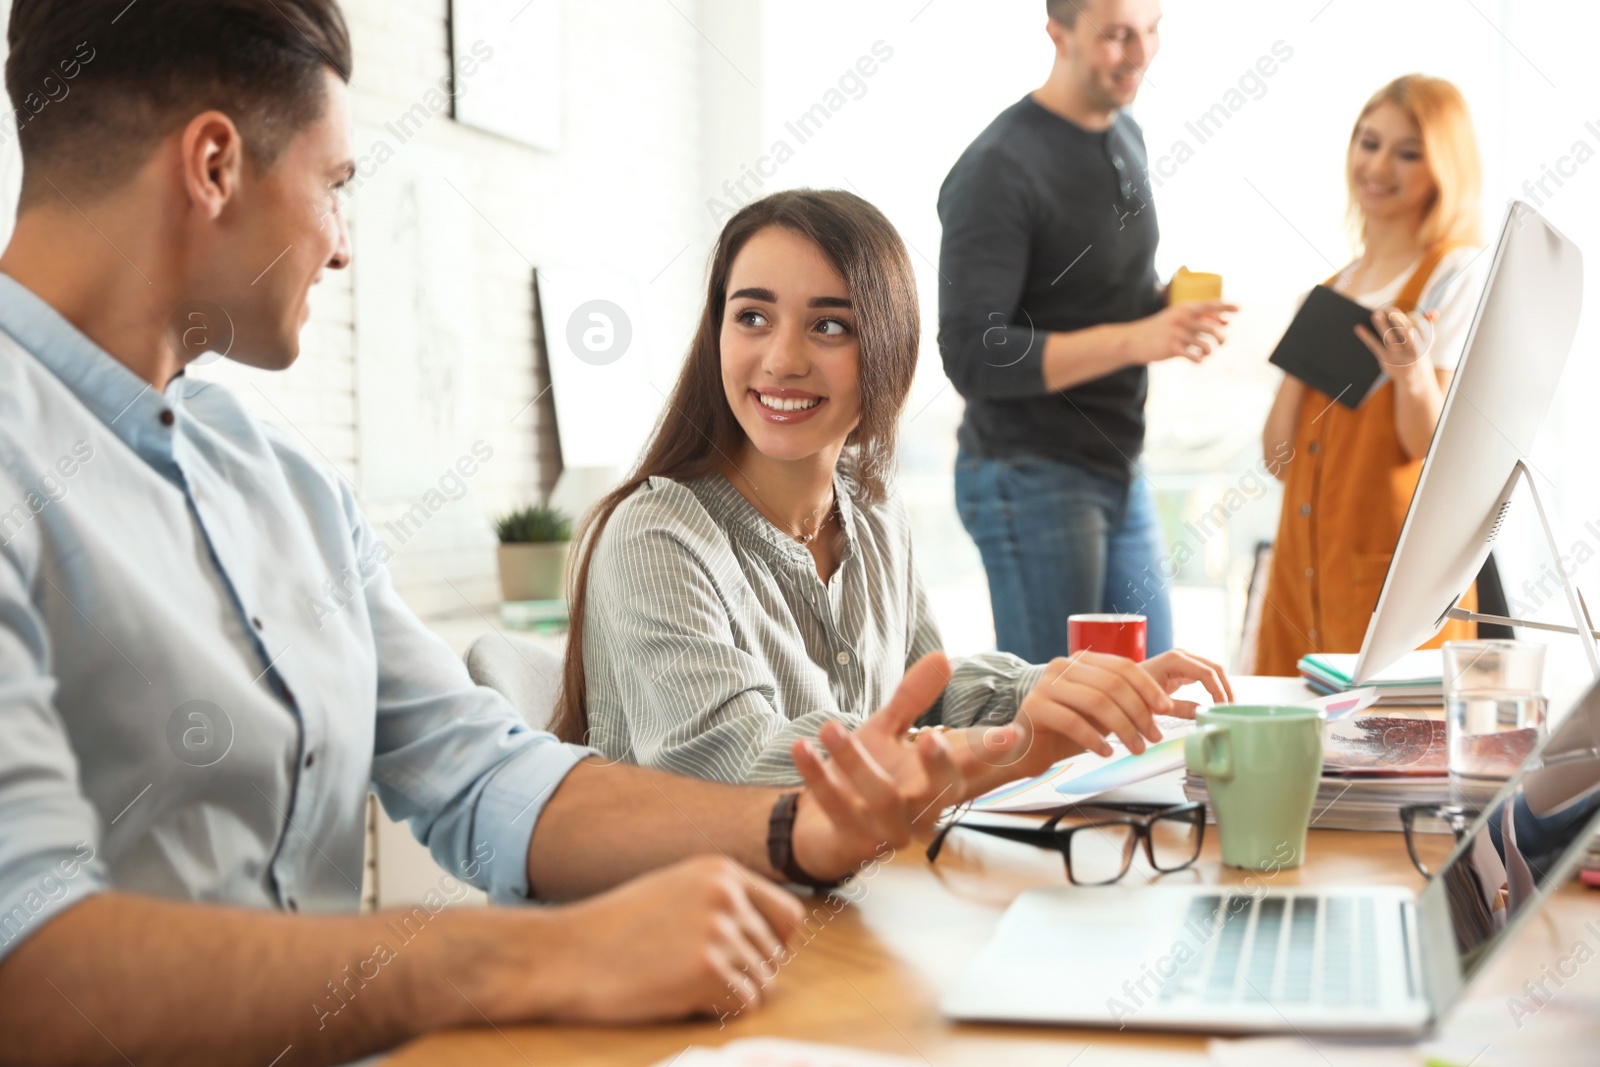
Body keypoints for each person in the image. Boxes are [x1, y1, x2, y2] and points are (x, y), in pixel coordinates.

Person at [0, 4, 996, 1064]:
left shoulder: (281, 483)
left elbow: (478, 772)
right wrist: (519, 956)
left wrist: (796, 828)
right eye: (338, 185)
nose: (342, 246)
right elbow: (26, 964)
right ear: (213, 165)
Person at [556, 188, 1232, 789]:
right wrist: (1004, 743)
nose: (783, 360)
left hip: (845, 899)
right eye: (753, 317)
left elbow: (923, 697)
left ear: (888, 346)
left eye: (829, 325)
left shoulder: (872, 509)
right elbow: (733, 762)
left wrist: (1054, 686)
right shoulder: (656, 537)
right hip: (699, 921)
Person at [936, 0, 1235, 666]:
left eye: (1152, 31)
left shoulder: (1124, 134)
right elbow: (973, 353)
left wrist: (1164, 305)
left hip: (1117, 465)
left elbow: (1094, 290)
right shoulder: (998, 168)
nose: (1141, 53)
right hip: (1029, 473)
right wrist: (1139, 339)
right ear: (1058, 33)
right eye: (1117, 36)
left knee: (1147, 696)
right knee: (1058, 720)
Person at [1255, 75, 1488, 676]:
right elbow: (1279, 460)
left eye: (1407, 152)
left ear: (1442, 167)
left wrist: (1410, 376)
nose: (1378, 165)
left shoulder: (1454, 277)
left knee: (1393, 754)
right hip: (1301, 579)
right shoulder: (1331, 289)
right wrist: (1299, 354)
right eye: (1368, 142)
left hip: (1392, 582)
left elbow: (1425, 449)